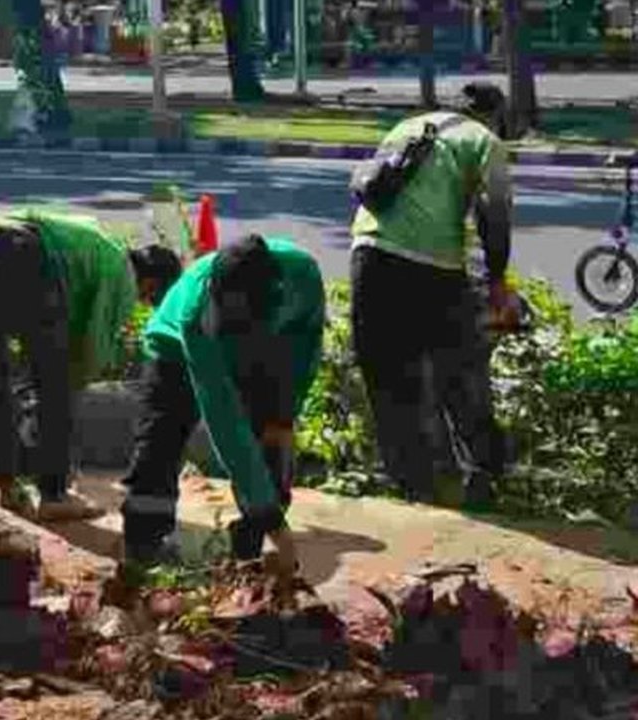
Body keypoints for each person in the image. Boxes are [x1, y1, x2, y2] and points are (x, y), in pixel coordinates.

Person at [0, 208, 182, 522]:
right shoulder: (122, 275)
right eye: (150, 298)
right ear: (150, 283)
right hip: (26, 256)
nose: (142, 301)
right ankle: (54, 494)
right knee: (57, 385)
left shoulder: (100, 245)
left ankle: (8, 486)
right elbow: (91, 351)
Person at [348, 81, 518, 511]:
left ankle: (413, 488)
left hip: (367, 255)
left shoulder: (408, 126)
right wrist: (496, 279)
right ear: (494, 115)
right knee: (459, 370)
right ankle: (486, 473)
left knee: (387, 375)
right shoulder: (485, 141)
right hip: (431, 266)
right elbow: (494, 214)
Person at [119, 234, 325, 577]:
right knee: (161, 441)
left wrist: (286, 413)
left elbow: (306, 346)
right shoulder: (196, 315)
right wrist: (280, 529)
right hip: (173, 349)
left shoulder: (301, 275)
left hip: (262, 348)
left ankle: (249, 549)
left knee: (272, 441)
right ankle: (141, 551)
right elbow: (226, 424)